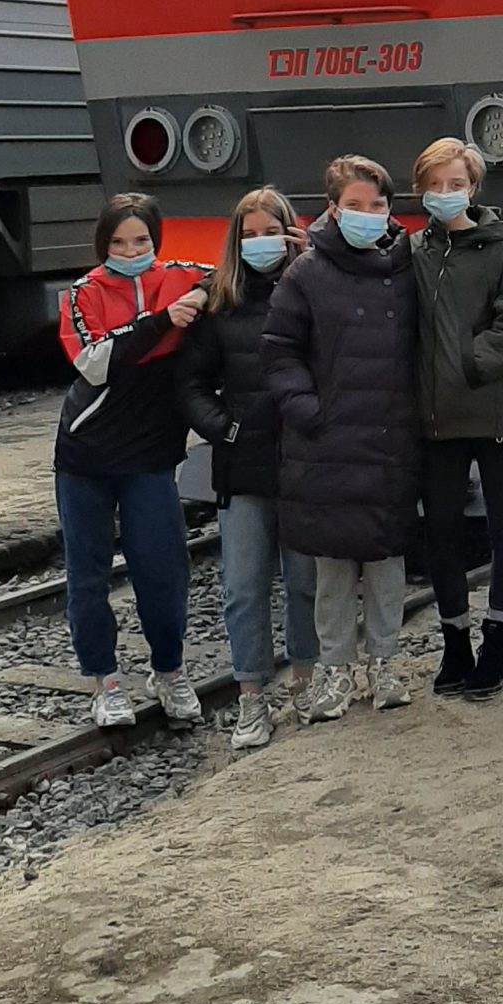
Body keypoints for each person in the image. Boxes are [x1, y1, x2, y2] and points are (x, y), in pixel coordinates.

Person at [263, 154, 419, 719]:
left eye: (378, 205)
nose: (368, 214)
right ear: (332, 210)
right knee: (331, 566)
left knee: (386, 560)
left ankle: (384, 662)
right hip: (326, 444)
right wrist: (307, 407)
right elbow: (279, 350)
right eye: (355, 206)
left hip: (389, 440)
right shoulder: (305, 274)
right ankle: (334, 669)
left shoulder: (407, 267)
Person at [54, 192, 209, 729]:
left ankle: (169, 671)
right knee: (88, 576)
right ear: (103, 244)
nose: (131, 249)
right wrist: (163, 319)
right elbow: (95, 362)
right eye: (118, 241)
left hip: (150, 456)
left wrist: (298, 240)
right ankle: (105, 681)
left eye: (141, 239)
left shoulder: (185, 274)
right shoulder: (81, 293)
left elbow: (240, 268)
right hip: (85, 455)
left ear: (156, 239)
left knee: (164, 572)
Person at [177, 188, 316, 749]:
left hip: (303, 461)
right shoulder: (217, 302)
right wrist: (223, 428)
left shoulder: (311, 292)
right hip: (243, 464)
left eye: (271, 231)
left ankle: (305, 681)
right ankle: (251, 698)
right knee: (242, 585)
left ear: (290, 233)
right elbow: (189, 385)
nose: (261, 243)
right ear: (236, 240)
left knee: (305, 580)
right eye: (250, 233)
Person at [409, 137, 503, 701]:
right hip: (436, 419)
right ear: (420, 189)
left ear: (472, 187)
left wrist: (463, 365)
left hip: (494, 413)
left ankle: (497, 641)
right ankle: (455, 640)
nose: (444, 194)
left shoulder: (500, 250)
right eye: (434, 184)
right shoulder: (411, 251)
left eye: (454, 183)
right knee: (440, 532)